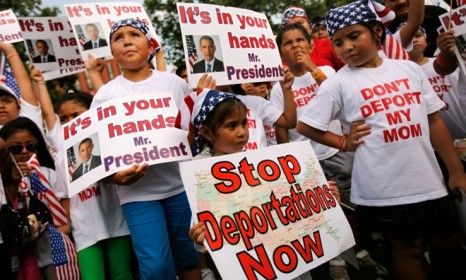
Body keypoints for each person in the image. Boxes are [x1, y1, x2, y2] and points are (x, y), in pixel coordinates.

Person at [296, 1, 466, 279]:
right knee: (407, 251)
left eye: (354, 36)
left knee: (448, 243)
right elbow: (306, 125)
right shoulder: (337, 83)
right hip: (383, 190)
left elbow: (434, 120)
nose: (347, 47)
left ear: (377, 32)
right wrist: (344, 142)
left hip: (430, 181)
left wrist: (456, 170)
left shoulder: (408, 69)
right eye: (338, 42)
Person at [186, 89, 340, 280]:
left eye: (244, 123)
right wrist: (199, 239)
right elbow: (203, 232)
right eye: (231, 126)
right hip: (249, 266)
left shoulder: (265, 164)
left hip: (282, 259)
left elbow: (294, 202)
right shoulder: (202, 174)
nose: (242, 132)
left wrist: (323, 197)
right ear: (207, 132)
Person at [91, 18, 200, 280]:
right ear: (112, 51)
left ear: (150, 45)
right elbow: (97, 152)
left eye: (134, 34)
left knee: (189, 257)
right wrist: (112, 176)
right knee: (155, 269)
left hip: (179, 188)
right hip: (137, 195)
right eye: (118, 37)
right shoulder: (104, 96)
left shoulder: (175, 84)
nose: (127, 40)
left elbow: (193, 135)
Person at [0, 117, 79, 279]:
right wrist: (12, 181)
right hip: (20, 252)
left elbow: (63, 197)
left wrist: (64, 224)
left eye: (30, 146)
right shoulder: (3, 179)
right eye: (15, 148)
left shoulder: (46, 172)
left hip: (51, 247)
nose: (24, 152)